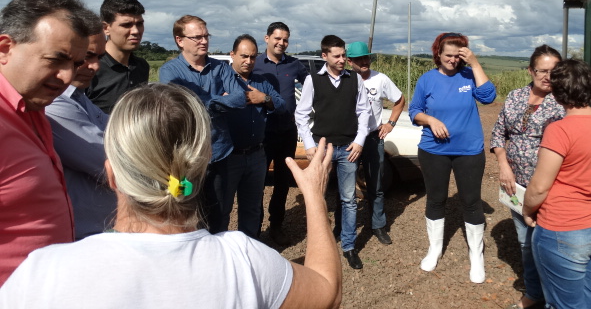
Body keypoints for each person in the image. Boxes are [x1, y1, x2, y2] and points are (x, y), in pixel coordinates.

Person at [0, 83, 342, 309]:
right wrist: (313, 195)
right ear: (203, 162)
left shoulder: (44, 273)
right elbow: (327, 291)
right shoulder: (246, 261)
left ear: (111, 173)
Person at [0, 0, 95, 285]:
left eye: (75, 64)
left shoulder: (33, 108)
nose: (68, 76)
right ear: (5, 48)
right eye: (56, 59)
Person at [523, 59, 591, 309]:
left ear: (556, 92)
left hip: (565, 229)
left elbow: (539, 187)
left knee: (565, 304)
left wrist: (527, 210)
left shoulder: (560, 130)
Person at [409, 32, 496, 283]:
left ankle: (476, 256)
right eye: (448, 55)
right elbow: (414, 110)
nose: (453, 60)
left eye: (458, 56)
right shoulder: (427, 80)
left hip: (469, 150)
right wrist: (430, 119)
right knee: (436, 200)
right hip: (433, 151)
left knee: (471, 201)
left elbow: (488, 97)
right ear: (438, 53)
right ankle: (435, 249)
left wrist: (475, 63)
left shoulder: (469, 75)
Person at [490, 45, 564, 309]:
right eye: (542, 71)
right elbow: (499, 133)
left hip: (552, 187)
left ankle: (554, 296)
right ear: (531, 70)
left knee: (550, 246)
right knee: (526, 243)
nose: (547, 76)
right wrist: (503, 164)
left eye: (553, 72)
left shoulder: (566, 101)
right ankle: (534, 293)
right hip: (516, 184)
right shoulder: (515, 96)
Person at [159, 15, 246, 233]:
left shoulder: (221, 68)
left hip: (218, 152)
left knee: (218, 213)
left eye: (206, 36)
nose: (204, 41)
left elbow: (240, 97)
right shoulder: (169, 71)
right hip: (185, 159)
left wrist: (205, 101)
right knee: (184, 213)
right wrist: (220, 100)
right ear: (180, 40)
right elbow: (181, 107)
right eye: (197, 37)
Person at [295, 35, 370, 270]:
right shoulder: (312, 81)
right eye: (336, 56)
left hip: (348, 148)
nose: (342, 60)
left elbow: (364, 112)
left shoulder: (355, 79)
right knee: (318, 199)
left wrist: (359, 141)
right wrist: (309, 143)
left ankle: (348, 246)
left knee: (348, 199)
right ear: (324, 56)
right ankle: (321, 244)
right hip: (323, 149)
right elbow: (301, 113)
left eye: (343, 55)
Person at [45, 27, 117, 240]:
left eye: (100, 57)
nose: (95, 66)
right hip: (83, 236)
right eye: (87, 57)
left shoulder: (78, 98)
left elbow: (120, 134)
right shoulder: (54, 104)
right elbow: (111, 163)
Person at [224, 34, 286, 238]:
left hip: (257, 155)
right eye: (243, 56)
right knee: (222, 208)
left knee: (251, 209)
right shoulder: (221, 79)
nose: (248, 61)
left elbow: (281, 105)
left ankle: (250, 251)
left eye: (252, 57)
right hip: (228, 156)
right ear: (232, 55)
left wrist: (264, 98)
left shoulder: (262, 81)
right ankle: (221, 255)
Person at [253, 21, 309, 246]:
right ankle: (253, 229)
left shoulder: (295, 65)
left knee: (283, 183)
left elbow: (312, 86)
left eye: (285, 39)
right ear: (267, 38)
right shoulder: (254, 63)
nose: (281, 43)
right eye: (277, 38)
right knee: (256, 183)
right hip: (260, 133)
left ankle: (276, 226)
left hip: (286, 131)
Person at [346, 41, 405, 245]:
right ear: (349, 61)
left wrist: (390, 124)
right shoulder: (344, 80)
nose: (364, 61)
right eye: (359, 59)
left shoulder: (380, 79)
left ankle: (378, 225)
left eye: (367, 57)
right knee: (345, 186)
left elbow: (399, 100)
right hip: (349, 140)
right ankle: (343, 226)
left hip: (372, 138)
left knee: (376, 184)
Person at [86, 0, 149, 114]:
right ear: (105, 28)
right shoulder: (90, 69)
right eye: (126, 25)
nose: (135, 31)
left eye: (139, 24)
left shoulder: (141, 66)